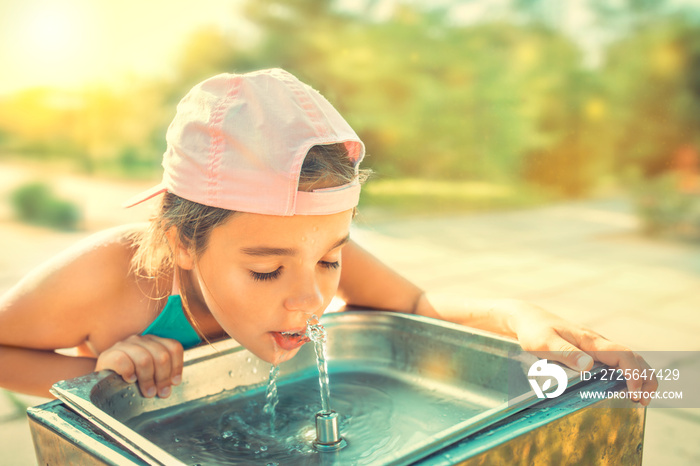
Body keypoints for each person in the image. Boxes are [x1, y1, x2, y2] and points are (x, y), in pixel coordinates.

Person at [0, 68, 656, 404]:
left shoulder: (298, 250)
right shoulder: (109, 279)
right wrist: (95, 376)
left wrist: (520, 316)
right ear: (180, 242)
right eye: (265, 271)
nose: (311, 301)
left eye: (330, 261)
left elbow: (415, 305)